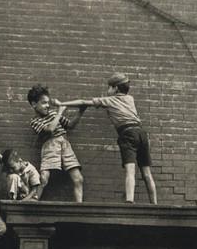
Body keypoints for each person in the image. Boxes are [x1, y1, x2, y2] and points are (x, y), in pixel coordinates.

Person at [58, 72, 157, 205]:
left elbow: (83, 102)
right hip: (141, 133)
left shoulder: (110, 100)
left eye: (109, 87)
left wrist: (61, 103)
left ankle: (129, 200)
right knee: (146, 173)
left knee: (130, 170)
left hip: (128, 134)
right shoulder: (130, 99)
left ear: (115, 88)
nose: (107, 90)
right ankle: (154, 204)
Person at [27, 84, 86, 202]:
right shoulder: (34, 121)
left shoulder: (53, 114)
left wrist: (80, 112)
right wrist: (60, 111)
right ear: (34, 104)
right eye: (43, 103)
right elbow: (50, 129)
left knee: (78, 179)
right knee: (44, 179)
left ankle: (79, 208)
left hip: (65, 144)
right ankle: (34, 201)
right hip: (50, 145)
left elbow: (70, 125)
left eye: (48, 102)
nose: (47, 105)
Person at [0, 129, 40, 201]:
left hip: (29, 199)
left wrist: (22, 202)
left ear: (20, 161)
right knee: (13, 176)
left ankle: (13, 203)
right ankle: (11, 201)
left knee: (14, 176)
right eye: (9, 168)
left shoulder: (32, 171)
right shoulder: (9, 163)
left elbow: (34, 191)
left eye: (13, 168)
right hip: (18, 197)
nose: (11, 170)